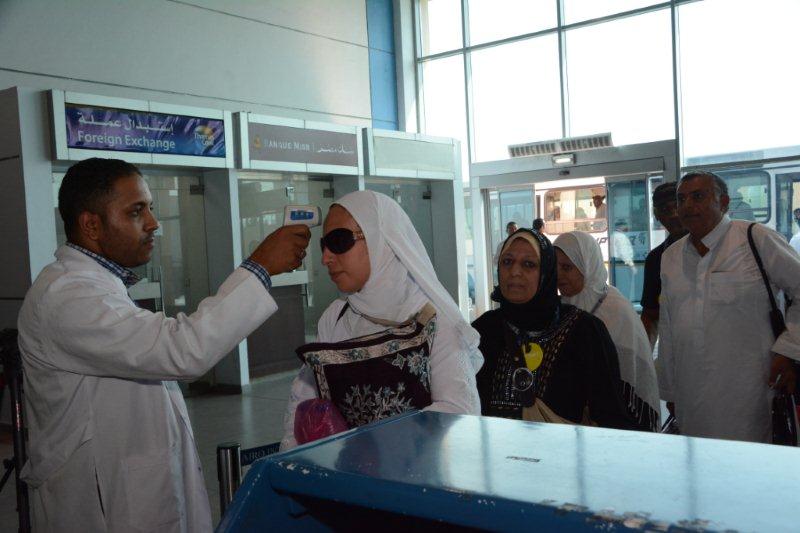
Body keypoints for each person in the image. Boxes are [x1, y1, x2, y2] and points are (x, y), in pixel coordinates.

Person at [17, 158, 311, 532]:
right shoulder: (66, 297)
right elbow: (181, 349)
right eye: (136, 211)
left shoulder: (98, 287)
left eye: (151, 208)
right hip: (97, 505)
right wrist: (260, 267)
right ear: (91, 224)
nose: (154, 222)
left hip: (128, 489)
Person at [281, 190, 482, 449]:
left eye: (339, 241)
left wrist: (367, 444)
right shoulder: (336, 317)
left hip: (419, 471)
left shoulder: (433, 320)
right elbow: (301, 403)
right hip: (343, 473)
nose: (326, 258)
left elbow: (460, 412)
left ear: (382, 239)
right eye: (323, 245)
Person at [657, 171, 800, 443]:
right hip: (691, 398)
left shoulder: (754, 239)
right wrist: (670, 391)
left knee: (748, 464)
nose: (687, 206)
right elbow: (668, 325)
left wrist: (787, 350)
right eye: (681, 199)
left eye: (698, 196)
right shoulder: (671, 257)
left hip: (751, 395)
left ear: (723, 203)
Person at [472, 228, 643, 430]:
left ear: (546, 273)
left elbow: (610, 415)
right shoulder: (482, 331)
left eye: (528, 264)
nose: (514, 272)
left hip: (563, 450)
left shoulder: (584, 330)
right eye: (507, 262)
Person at [554, 231, 660, 432]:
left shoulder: (615, 309)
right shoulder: (560, 307)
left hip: (621, 419)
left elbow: (629, 372)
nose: (558, 275)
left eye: (567, 267)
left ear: (588, 265)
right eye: (554, 267)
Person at [640, 182, 688, 347]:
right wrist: (644, 353)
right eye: (665, 210)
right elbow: (650, 314)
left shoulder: (718, 246)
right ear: (657, 216)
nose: (673, 214)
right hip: (679, 350)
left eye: (677, 206)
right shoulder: (655, 259)